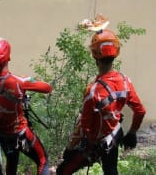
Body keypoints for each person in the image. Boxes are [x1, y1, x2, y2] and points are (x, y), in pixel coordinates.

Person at [56, 29, 146, 175]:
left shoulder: (93, 91)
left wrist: (70, 148)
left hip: (93, 144)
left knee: (62, 171)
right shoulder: (125, 82)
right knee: (110, 170)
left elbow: (84, 127)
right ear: (116, 54)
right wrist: (132, 133)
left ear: (94, 56)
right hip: (114, 135)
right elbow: (140, 111)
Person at [0, 37, 53, 175]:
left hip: (2, 135)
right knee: (42, 160)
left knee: (12, 164)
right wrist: (28, 81)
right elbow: (47, 88)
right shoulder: (18, 81)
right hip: (20, 134)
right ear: (8, 57)